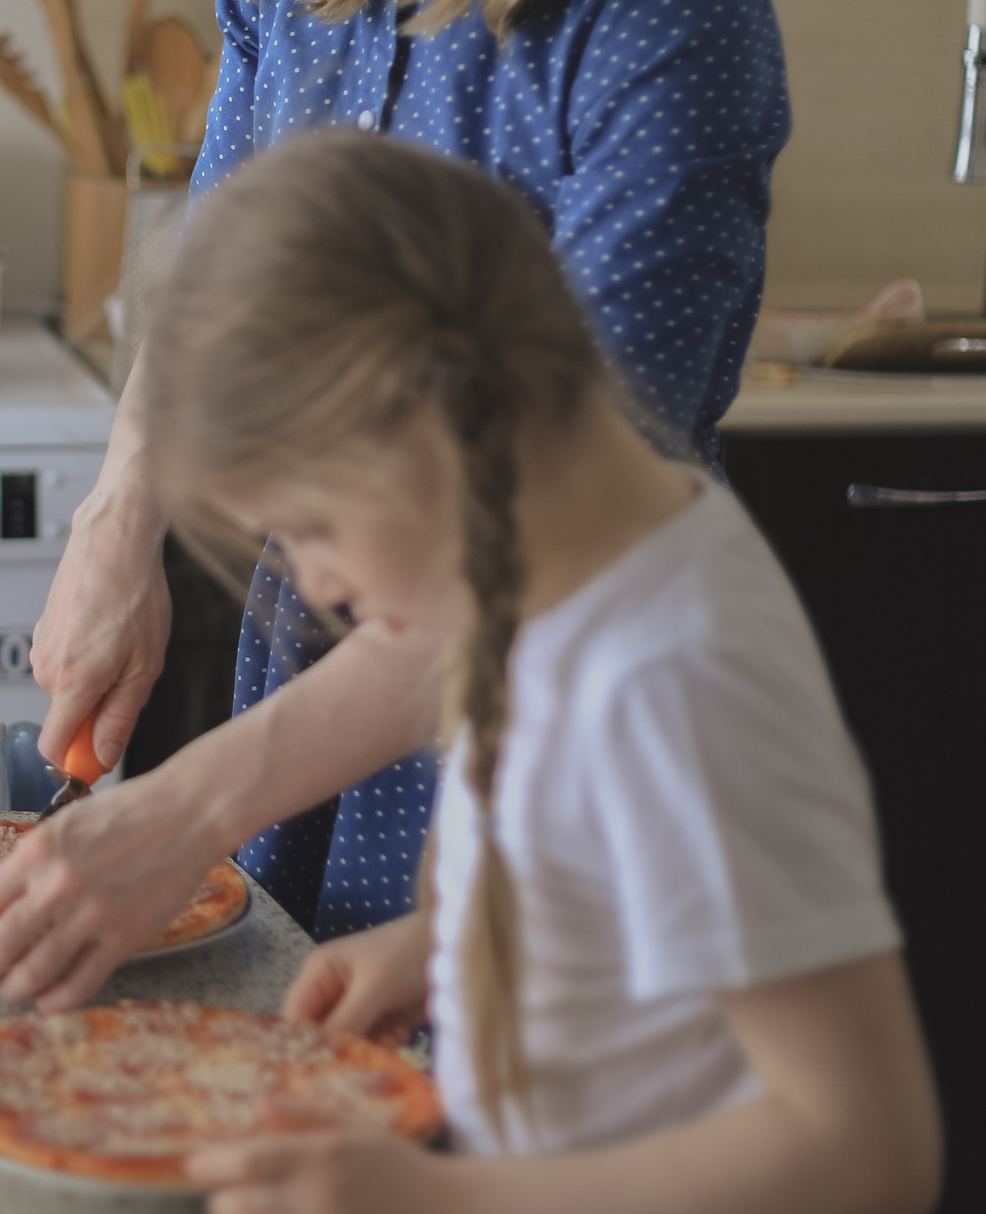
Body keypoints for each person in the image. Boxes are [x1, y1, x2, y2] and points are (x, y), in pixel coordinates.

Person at [0, 0, 791, 983]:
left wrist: (193, 802)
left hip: (547, 725)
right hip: (316, 674)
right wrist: (119, 523)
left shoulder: (668, 17)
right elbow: (218, 283)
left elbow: (551, 535)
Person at [172, 132, 938, 1209]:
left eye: (309, 526)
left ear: (428, 429)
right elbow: (601, 883)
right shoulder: (544, 585)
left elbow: (866, 1148)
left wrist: (440, 1201)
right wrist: (437, 949)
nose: (317, 581)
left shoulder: (673, 680)